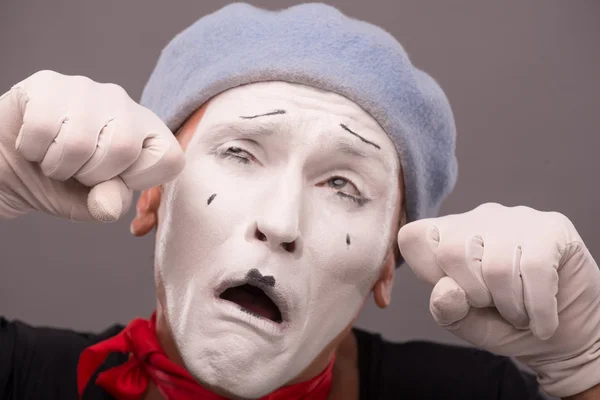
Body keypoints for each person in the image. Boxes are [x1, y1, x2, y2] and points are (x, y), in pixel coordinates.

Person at [0, 3, 599, 400]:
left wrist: (586, 371)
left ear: (388, 264)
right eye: (239, 153)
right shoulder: (24, 378)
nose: (281, 223)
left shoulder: (475, 395)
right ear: (152, 195)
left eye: (344, 186)